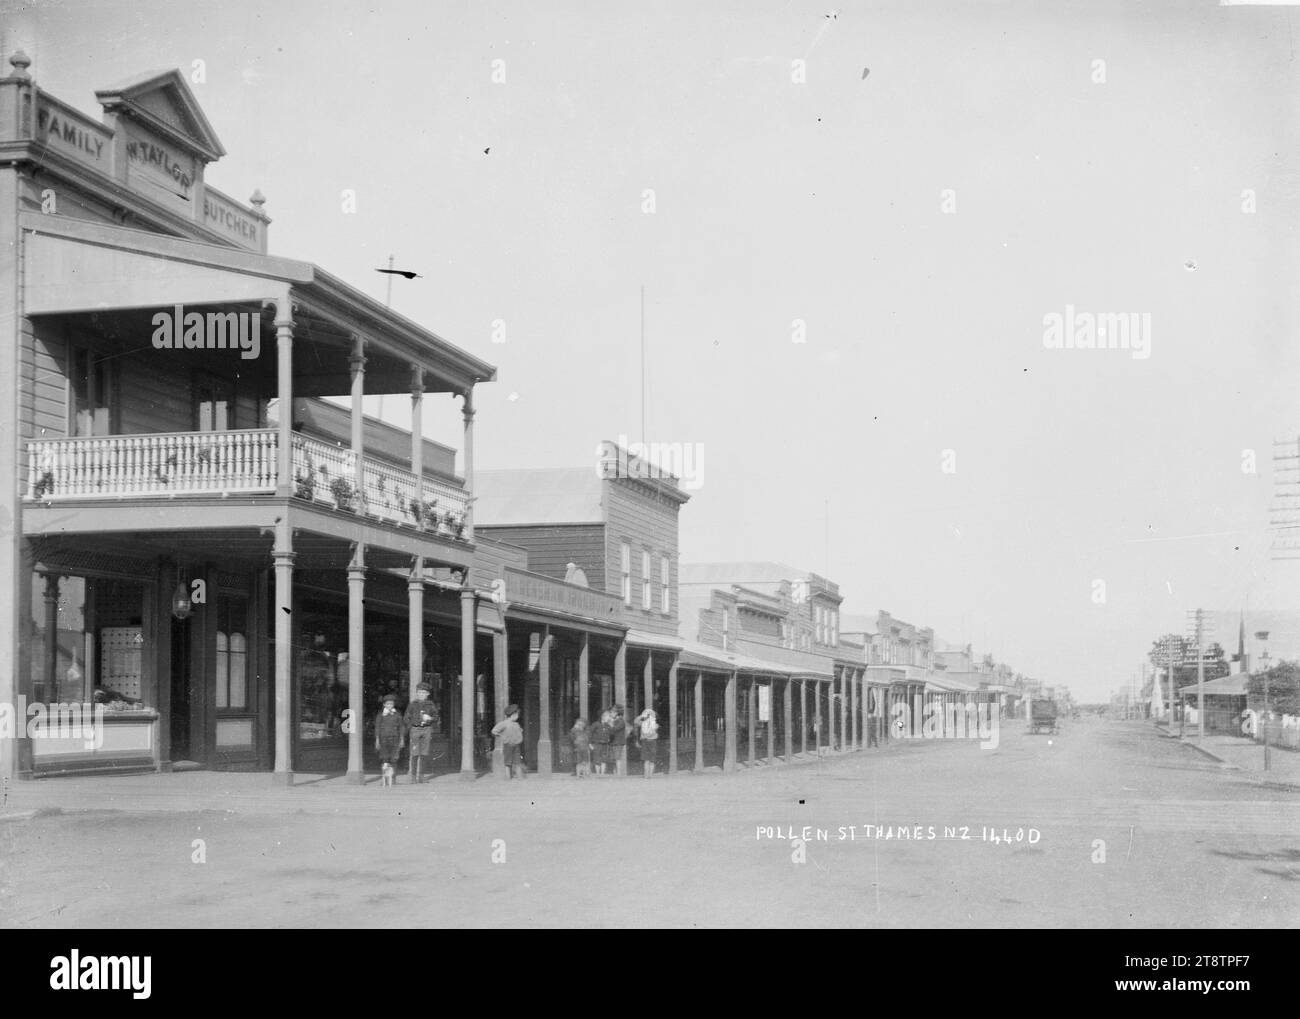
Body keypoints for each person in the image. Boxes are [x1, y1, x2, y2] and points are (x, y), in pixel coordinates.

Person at [403, 683, 439, 783]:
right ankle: (413, 776)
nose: (421, 694)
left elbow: (436, 717)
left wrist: (430, 718)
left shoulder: (431, 705)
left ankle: (422, 775)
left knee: (424, 753)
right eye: (419, 692)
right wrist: (411, 726)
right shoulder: (412, 704)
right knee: (414, 753)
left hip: (426, 729)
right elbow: (406, 717)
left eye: (424, 693)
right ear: (417, 693)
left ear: (427, 694)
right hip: (415, 729)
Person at [374, 693, 405, 786]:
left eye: (391, 704)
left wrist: (402, 738)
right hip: (383, 739)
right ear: (384, 705)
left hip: (395, 739)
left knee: (394, 759)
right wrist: (377, 740)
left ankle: (393, 778)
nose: (389, 706)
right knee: (385, 759)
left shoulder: (397, 715)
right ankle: (385, 779)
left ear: (393, 704)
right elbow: (377, 728)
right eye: (387, 704)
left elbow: (401, 727)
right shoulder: (380, 715)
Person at [491, 704, 525, 780]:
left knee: (517, 761)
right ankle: (508, 776)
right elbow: (494, 731)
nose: (517, 716)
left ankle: (520, 777)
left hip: (517, 745)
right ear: (512, 715)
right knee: (508, 761)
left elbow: (520, 731)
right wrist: (501, 736)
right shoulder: (504, 723)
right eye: (516, 715)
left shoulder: (516, 724)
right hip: (508, 745)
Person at [633, 707, 659, 778]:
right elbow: (635, 721)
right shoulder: (643, 723)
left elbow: (651, 733)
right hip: (645, 742)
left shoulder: (654, 724)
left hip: (652, 742)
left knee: (652, 760)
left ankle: (650, 775)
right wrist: (642, 716)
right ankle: (646, 774)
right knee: (646, 759)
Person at [589, 710, 612, 776]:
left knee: (604, 759)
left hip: (605, 744)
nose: (609, 717)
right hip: (596, 744)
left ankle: (602, 774)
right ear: (603, 716)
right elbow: (590, 733)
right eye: (608, 716)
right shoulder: (596, 724)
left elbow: (612, 734)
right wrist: (590, 744)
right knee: (597, 759)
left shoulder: (608, 725)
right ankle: (598, 774)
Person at [609, 705, 628, 776]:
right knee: (614, 758)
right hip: (614, 742)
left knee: (617, 757)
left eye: (612, 712)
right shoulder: (616, 721)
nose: (611, 714)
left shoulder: (621, 721)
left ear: (617, 713)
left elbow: (614, 729)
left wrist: (611, 724)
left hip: (618, 742)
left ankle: (618, 773)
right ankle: (616, 772)